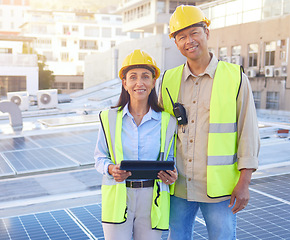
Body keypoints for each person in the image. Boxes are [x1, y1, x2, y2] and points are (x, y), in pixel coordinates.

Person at [160, 5, 260, 240]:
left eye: (194, 32)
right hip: (178, 187)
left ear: (207, 33)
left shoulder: (235, 77)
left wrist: (244, 182)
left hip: (220, 190)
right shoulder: (167, 80)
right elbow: (159, 132)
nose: (189, 41)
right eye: (181, 36)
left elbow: (249, 133)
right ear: (175, 43)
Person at [94, 49, 178, 240]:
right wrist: (110, 169)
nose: (139, 83)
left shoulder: (168, 121)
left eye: (145, 77)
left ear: (153, 82)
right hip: (118, 197)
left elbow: (171, 159)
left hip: (153, 199)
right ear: (124, 83)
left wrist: (172, 175)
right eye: (133, 77)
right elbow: (99, 157)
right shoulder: (108, 118)